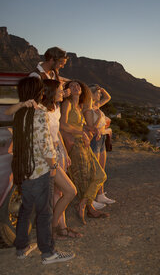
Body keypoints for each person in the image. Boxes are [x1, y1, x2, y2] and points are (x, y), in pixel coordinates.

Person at [11, 76, 75, 264]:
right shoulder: (39, 114)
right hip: (40, 170)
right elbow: (46, 146)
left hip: (25, 169)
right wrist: (54, 166)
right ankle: (48, 253)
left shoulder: (20, 113)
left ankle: (21, 248)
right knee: (45, 213)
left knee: (25, 210)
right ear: (37, 92)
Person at [60, 80, 108, 224]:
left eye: (78, 85)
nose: (76, 87)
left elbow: (79, 125)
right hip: (75, 145)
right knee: (83, 177)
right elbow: (63, 125)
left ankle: (82, 204)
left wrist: (91, 129)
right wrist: (82, 131)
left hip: (83, 143)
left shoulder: (79, 106)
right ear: (67, 90)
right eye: (72, 86)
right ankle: (90, 209)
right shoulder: (67, 104)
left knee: (100, 175)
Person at [41, 79, 82, 239]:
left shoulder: (55, 107)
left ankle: (62, 228)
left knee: (59, 192)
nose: (64, 92)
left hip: (58, 150)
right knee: (69, 191)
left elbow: (57, 131)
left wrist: (64, 152)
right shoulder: (43, 111)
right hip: (48, 154)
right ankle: (51, 229)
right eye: (61, 89)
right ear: (52, 92)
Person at [86, 85, 115, 209]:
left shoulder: (97, 106)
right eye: (98, 93)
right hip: (94, 141)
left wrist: (102, 89)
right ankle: (90, 198)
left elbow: (108, 97)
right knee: (94, 171)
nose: (100, 95)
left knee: (102, 170)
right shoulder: (88, 109)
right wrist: (98, 117)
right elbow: (92, 126)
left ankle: (100, 194)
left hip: (102, 139)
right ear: (91, 94)